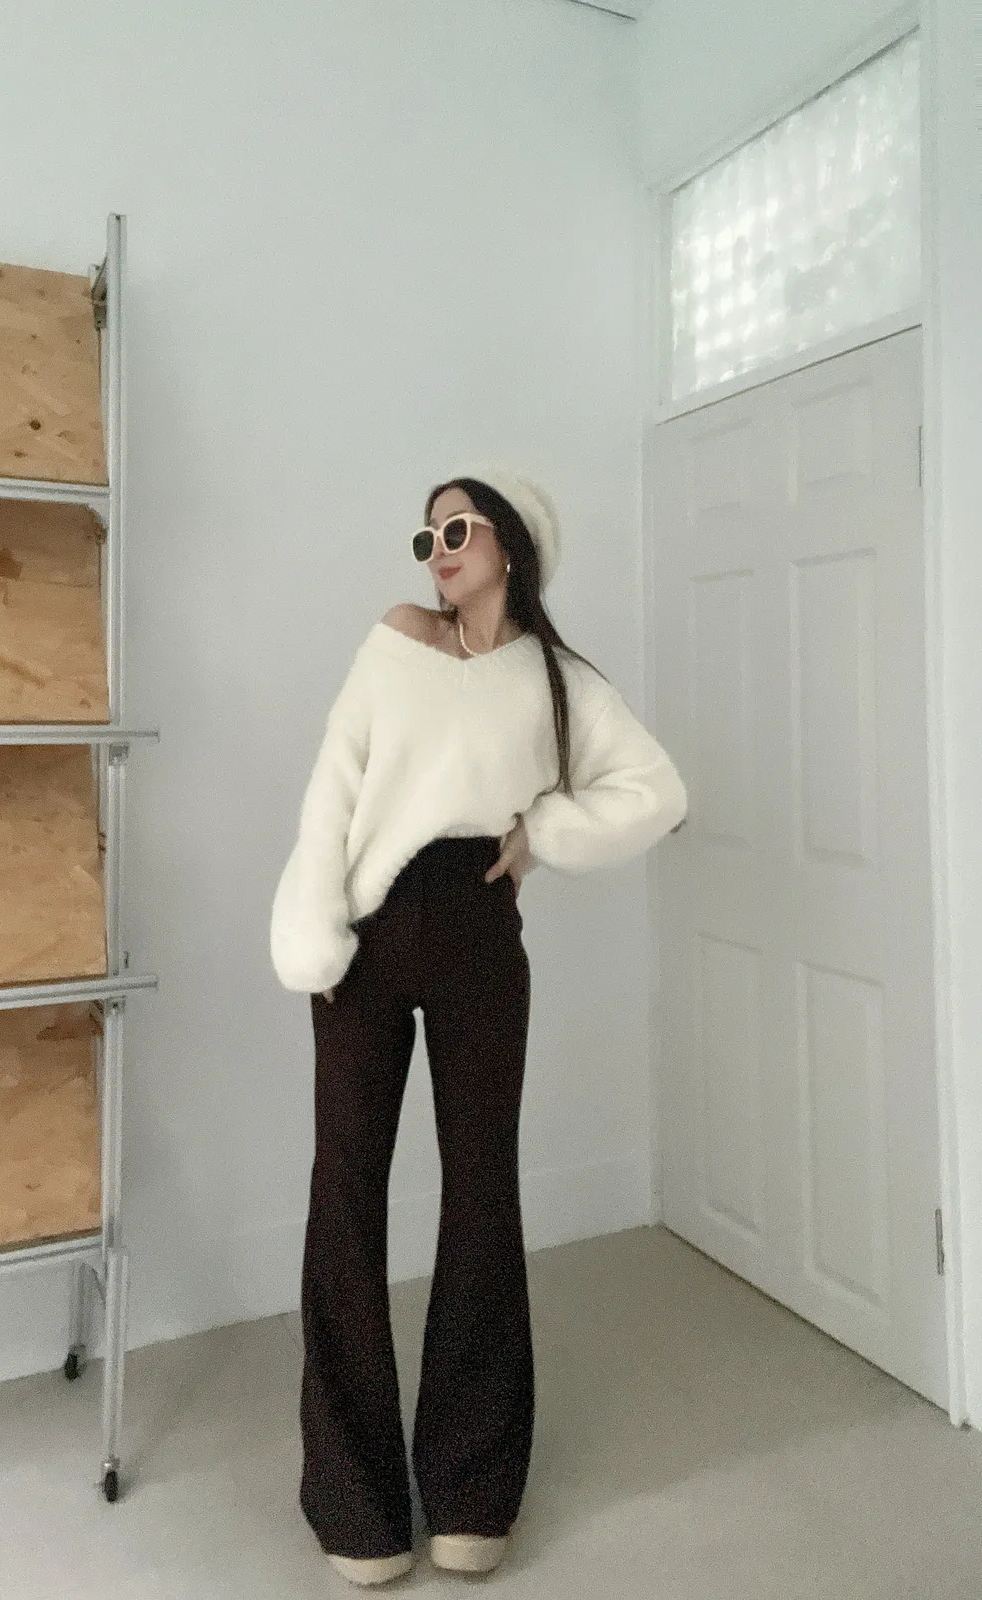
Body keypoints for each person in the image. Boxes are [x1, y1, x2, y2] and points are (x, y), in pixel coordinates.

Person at [269, 469, 687, 1588]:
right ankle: (353, 1498)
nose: (436, 550)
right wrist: (312, 929)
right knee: (345, 1194)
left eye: (455, 528)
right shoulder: (396, 641)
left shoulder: (555, 678)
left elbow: (656, 788)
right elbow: (332, 788)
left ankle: (470, 1488)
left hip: (477, 933)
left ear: (511, 541)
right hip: (367, 934)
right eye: (426, 536)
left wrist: (545, 828)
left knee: (483, 1195)